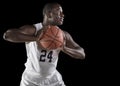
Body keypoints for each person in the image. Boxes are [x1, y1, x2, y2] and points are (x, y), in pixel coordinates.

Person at [3, 2, 85, 86]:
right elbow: (7, 35)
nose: (62, 15)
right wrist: (35, 38)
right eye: (59, 11)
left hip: (53, 80)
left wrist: (65, 49)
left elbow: (82, 54)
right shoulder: (34, 30)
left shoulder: (63, 35)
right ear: (49, 14)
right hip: (31, 80)